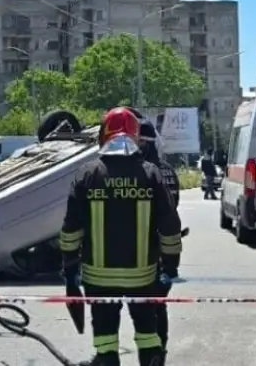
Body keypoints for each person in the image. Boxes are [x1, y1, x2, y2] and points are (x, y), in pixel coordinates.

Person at [59, 107, 183, 366]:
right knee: (148, 333)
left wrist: (70, 270)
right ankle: (151, 359)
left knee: (105, 338)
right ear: (136, 137)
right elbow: (169, 227)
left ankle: (106, 361)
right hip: (143, 277)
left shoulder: (87, 175)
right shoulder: (151, 174)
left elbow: (71, 229)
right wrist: (169, 269)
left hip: (98, 278)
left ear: (103, 136)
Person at [137, 120, 181, 349]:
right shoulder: (167, 170)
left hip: (147, 249)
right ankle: (158, 352)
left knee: (148, 308)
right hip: (166, 247)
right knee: (158, 304)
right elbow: (175, 208)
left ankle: (153, 351)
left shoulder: (142, 172)